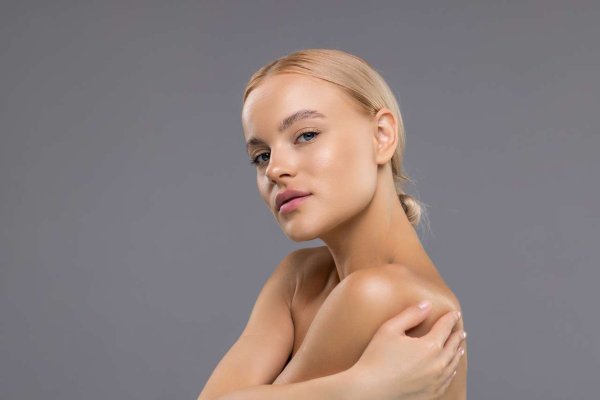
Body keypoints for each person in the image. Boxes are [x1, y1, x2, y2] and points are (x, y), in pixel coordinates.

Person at [198, 48, 467, 400]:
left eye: (306, 135)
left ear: (382, 136)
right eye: (261, 156)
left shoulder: (382, 293)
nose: (275, 169)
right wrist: (361, 386)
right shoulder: (298, 277)